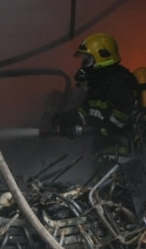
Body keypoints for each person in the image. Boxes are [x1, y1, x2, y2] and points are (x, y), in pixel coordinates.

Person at [54, 32, 140, 169]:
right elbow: (86, 111)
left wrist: (103, 130)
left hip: (123, 155)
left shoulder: (117, 81)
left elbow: (123, 111)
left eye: (87, 61)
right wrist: (66, 119)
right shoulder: (99, 86)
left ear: (102, 58)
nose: (83, 66)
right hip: (107, 155)